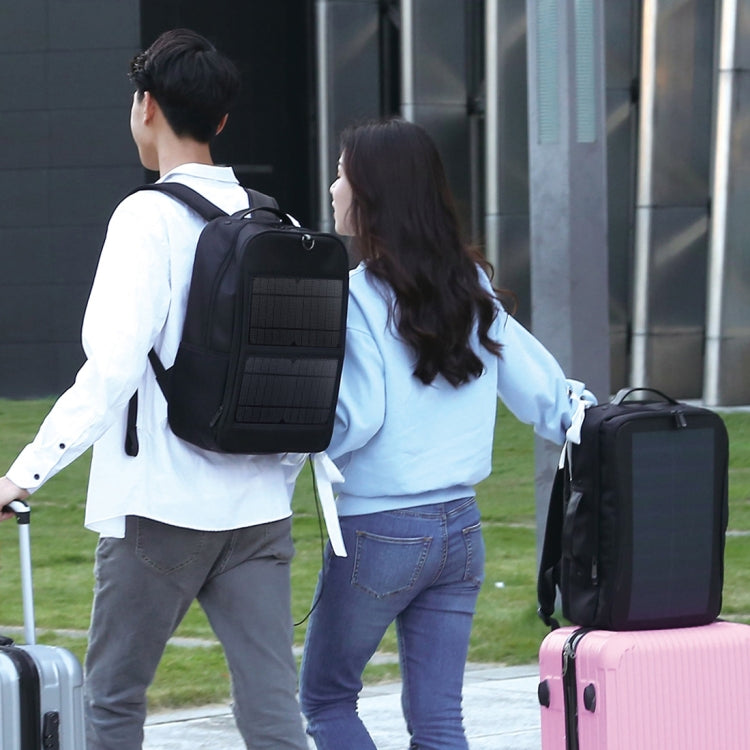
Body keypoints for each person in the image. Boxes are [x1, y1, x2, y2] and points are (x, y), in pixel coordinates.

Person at [0, 29, 309, 750]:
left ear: (145, 106)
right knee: (272, 711)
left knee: (112, 702)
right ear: (221, 119)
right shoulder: (279, 220)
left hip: (158, 508)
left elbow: (111, 368)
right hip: (260, 510)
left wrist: (23, 474)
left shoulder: (144, 218)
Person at [297, 118, 595, 750]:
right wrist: (583, 417)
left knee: (326, 699)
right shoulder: (470, 284)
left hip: (377, 529)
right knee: (439, 722)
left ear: (373, 194)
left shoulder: (354, 297)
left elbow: (356, 419)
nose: (332, 187)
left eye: (342, 175)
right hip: (461, 529)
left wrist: (299, 436)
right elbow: (545, 394)